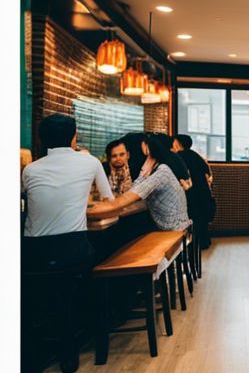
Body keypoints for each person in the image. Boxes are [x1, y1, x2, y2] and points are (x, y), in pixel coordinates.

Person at [22, 114, 114, 271]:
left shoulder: (30, 169)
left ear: (42, 139)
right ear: (74, 137)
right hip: (73, 248)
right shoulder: (91, 161)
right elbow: (109, 200)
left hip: (34, 250)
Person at [88, 134, 191, 232]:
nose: (119, 159)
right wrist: (143, 172)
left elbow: (125, 199)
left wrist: (94, 208)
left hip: (173, 229)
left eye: (122, 154)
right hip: (172, 226)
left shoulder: (161, 173)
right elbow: (134, 189)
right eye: (114, 156)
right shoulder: (155, 170)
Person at [174, 134, 215, 249]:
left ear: (178, 144)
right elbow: (207, 171)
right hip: (203, 192)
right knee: (201, 220)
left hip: (190, 193)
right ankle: (204, 242)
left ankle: (192, 245)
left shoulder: (178, 157)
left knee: (192, 219)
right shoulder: (196, 155)